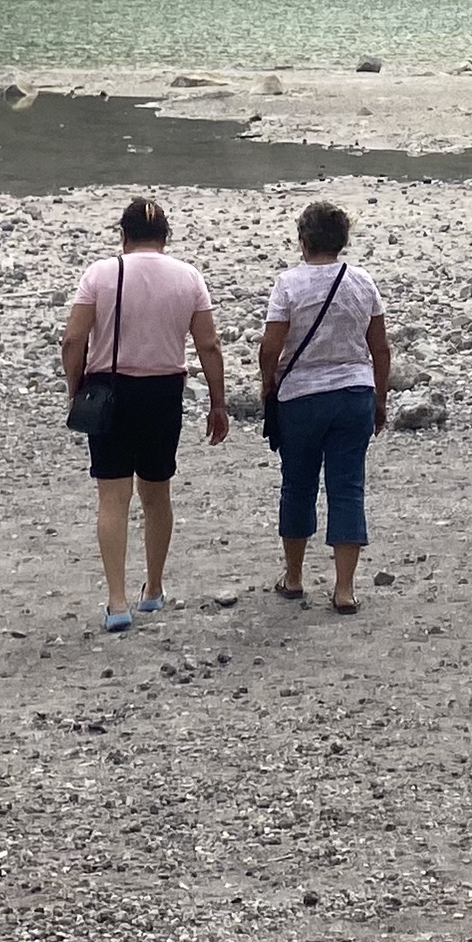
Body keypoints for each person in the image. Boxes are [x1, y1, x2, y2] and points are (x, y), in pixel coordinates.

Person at [59, 196, 227, 632]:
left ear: (124, 235)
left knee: (112, 497)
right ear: (165, 237)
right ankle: (152, 588)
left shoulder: (100, 273)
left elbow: (73, 339)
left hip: (109, 387)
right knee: (157, 494)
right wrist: (217, 400)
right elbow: (208, 344)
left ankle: (117, 601)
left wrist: (75, 387)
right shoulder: (189, 276)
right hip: (163, 391)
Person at [258, 199, 391, 612]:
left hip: (300, 396)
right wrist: (380, 398)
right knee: (347, 487)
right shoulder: (362, 282)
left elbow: (270, 347)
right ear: (342, 240)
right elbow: (381, 349)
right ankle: (344, 589)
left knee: (297, 485)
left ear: (304, 240)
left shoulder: (288, 285)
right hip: (354, 393)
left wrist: (269, 385)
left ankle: (295, 577)